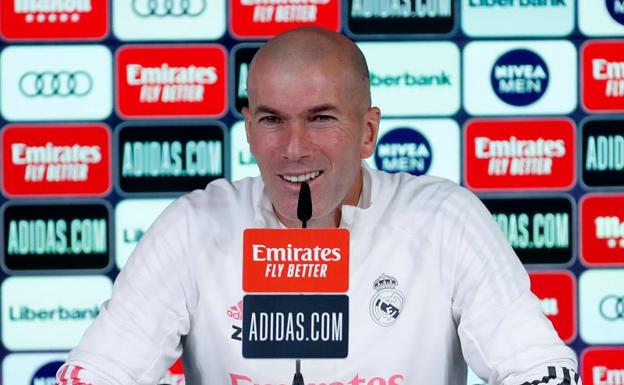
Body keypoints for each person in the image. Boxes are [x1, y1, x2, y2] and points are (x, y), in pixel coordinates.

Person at [56, 27, 580, 385]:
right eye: (271, 119)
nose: (293, 148)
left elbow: (538, 367)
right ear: (248, 128)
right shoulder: (194, 227)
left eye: (322, 118)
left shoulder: (444, 219)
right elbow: (102, 371)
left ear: (368, 132)